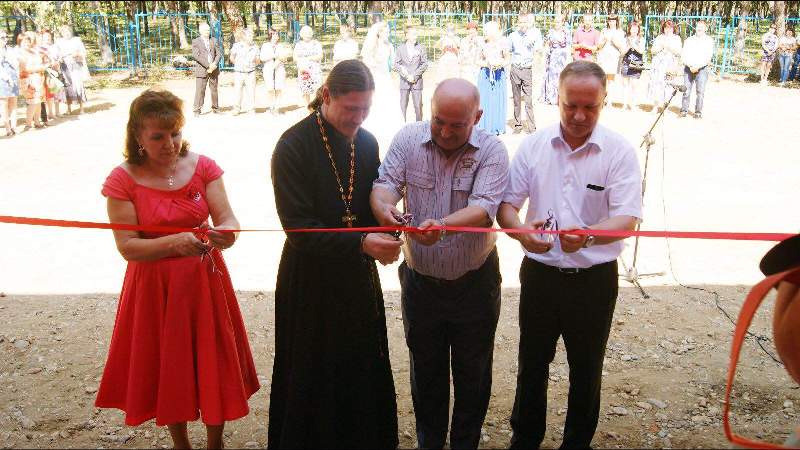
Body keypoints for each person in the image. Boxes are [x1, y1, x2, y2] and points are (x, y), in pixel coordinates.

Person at [95, 88, 260, 449]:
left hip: (205, 282)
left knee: (212, 361)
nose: (170, 144)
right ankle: (180, 443)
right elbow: (127, 247)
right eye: (158, 136)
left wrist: (227, 234)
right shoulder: (122, 180)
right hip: (155, 289)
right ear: (138, 136)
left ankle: (215, 442)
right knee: (170, 365)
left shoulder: (204, 167)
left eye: (175, 133)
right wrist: (173, 243)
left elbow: (228, 218)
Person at [498, 60, 642, 450]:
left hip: (594, 279)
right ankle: (525, 438)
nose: (578, 116)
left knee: (586, 367)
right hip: (540, 274)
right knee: (532, 363)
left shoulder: (618, 152)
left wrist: (590, 236)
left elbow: (627, 218)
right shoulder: (534, 145)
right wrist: (521, 232)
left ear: (604, 101)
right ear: (557, 99)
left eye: (589, 107)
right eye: (569, 105)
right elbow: (507, 206)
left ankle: (577, 442)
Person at [268, 60, 400, 449]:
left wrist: (388, 222)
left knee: (359, 363)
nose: (358, 118)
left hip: (357, 277)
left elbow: (371, 203)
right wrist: (361, 243)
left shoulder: (367, 142)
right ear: (326, 96)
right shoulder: (293, 146)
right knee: (312, 369)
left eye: (365, 110)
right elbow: (298, 227)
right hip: (309, 279)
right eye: (350, 109)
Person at [371, 78, 509, 450]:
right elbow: (385, 183)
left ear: (477, 117)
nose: (445, 132)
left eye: (456, 125)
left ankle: (465, 443)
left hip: (475, 283)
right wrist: (384, 208)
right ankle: (429, 442)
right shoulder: (407, 139)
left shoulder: (492, 150)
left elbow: (484, 208)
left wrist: (443, 226)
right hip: (421, 282)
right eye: (438, 121)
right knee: (425, 370)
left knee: (473, 372)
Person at [508, 14, 542, 134]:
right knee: (516, 100)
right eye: (520, 22)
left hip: (527, 69)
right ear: (518, 23)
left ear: (528, 23)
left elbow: (538, 51)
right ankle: (518, 125)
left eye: (525, 22)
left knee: (528, 100)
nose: (523, 25)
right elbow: (508, 51)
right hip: (515, 69)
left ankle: (531, 127)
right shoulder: (512, 36)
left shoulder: (534, 36)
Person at [477, 21, 510, 135]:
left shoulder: (503, 44)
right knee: (485, 100)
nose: (486, 32)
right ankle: (485, 126)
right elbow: (477, 60)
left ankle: (497, 126)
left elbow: (508, 59)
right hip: (485, 75)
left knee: (497, 100)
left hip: (499, 75)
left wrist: (500, 64)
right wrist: (487, 64)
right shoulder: (482, 44)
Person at [393, 24, 428, 123]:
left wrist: (415, 76)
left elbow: (424, 64)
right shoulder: (400, 48)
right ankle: (402, 126)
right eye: (413, 34)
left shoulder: (421, 47)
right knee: (403, 106)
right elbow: (396, 64)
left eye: (416, 34)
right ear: (406, 35)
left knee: (418, 106)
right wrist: (406, 75)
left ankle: (419, 126)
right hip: (404, 82)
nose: (416, 36)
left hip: (417, 82)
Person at [680, 20, 714, 119]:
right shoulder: (689, 40)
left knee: (700, 92)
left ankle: (698, 112)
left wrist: (697, 67)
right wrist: (690, 66)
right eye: (698, 26)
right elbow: (684, 55)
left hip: (702, 69)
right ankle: (684, 110)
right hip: (688, 68)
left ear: (705, 29)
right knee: (686, 91)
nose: (699, 29)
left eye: (701, 27)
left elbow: (708, 56)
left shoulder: (709, 41)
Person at [647, 20, 682, 113]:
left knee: (668, 85)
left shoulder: (677, 38)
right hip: (658, 65)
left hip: (670, 65)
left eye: (670, 28)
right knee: (656, 85)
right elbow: (653, 51)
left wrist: (669, 46)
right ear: (663, 28)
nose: (668, 30)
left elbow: (679, 52)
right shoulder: (659, 37)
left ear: (673, 29)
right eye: (666, 28)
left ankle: (665, 107)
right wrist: (661, 46)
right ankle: (655, 106)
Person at [55, 25, 88, 116]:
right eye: (64, 32)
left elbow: (84, 53)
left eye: (68, 31)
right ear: (61, 33)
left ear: (71, 31)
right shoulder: (59, 42)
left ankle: (82, 108)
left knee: (78, 85)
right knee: (67, 86)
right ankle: (68, 109)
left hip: (76, 65)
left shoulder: (76, 40)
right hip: (64, 66)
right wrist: (59, 58)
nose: (66, 33)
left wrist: (77, 54)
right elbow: (57, 54)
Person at [190, 22, 221, 117]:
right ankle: (197, 110)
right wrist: (208, 65)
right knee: (200, 90)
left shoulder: (214, 40)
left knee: (214, 90)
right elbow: (196, 56)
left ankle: (215, 108)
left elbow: (219, 54)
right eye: (205, 30)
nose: (207, 32)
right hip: (202, 69)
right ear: (200, 31)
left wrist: (214, 63)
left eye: (208, 30)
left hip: (214, 69)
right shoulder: (196, 41)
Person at [540, 13, 571, 106]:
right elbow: (546, 44)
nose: (556, 23)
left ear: (562, 22)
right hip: (553, 57)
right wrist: (545, 54)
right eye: (555, 21)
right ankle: (551, 98)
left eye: (558, 22)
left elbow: (569, 46)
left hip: (562, 58)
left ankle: (561, 97)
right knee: (552, 77)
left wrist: (567, 58)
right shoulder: (551, 32)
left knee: (561, 77)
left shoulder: (566, 33)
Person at [17, 32, 46, 130]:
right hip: (28, 80)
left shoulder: (33, 51)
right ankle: (28, 124)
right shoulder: (19, 53)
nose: (27, 43)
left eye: (28, 41)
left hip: (38, 78)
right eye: (24, 42)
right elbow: (23, 69)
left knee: (38, 101)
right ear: (20, 42)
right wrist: (38, 68)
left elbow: (40, 62)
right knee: (32, 102)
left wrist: (42, 67)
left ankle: (37, 121)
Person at [596, 15, 625, 104]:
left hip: (613, 58)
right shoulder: (604, 31)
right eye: (610, 21)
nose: (611, 23)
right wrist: (604, 40)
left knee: (611, 79)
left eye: (613, 21)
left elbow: (622, 48)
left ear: (616, 22)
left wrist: (614, 41)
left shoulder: (620, 32)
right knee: (603, 79)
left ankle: (610, 100)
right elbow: (599, 46)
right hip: (603, 58)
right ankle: (602, 99)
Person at [230, 27, 259, 115]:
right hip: (239, 72)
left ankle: (251, 109)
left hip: (251, 72)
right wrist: (238, 65)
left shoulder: (255, 47)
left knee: (251, 91)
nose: (251, 37)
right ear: (244, 36)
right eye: (249, 35)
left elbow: (258, 60)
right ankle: (236, 109)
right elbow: (232, 58)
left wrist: (255, 61)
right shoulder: (236, 46)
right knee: (237, 91)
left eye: (252, 35)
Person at [293, 25, 323, 107]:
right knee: (305, 90)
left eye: (309, 33)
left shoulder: (316, 43)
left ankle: (316, 106)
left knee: (316, 89)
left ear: (312, 33)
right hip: (303, 71)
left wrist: (308, 58)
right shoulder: (298, 45)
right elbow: (295, 57)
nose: (307, 35)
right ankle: (308, 106)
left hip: (315, 71)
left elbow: (320, 56)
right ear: (301, 34)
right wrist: (303, 62)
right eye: (305, 33)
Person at [260, 27, 287, 115]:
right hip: (268, 69)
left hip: (279, 69)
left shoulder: (281, 46)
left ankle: (277, 107)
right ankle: (271, 106)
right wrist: (273, 55)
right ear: (270, 35)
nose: (276, 36)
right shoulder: (265, 45)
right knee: (270, 89)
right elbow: (262, 58)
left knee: (279, 88)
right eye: (274, 34)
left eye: (277, 34)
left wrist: (278, 60)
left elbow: (284, 58)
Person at [39, 29, 64, 121]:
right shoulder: (40, 48)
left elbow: (61, 57)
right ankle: (50, 113)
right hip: (46, 72)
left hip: (56, 71)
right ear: (42, 38)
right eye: (45, 37)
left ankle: (57, 111)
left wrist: (58, 62)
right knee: (48, 94)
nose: (47, 38)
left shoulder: (55, 46)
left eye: (49, 36)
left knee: (57, 92)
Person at [620, 20, 645, 111]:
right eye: (632, 29)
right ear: (629, 29)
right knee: (625, 85)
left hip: (637, 62)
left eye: (636, 29)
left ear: (638, 29)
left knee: (634, 85)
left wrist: (633, 45)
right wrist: (628, 46)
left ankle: (633, 104)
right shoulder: (625, 38)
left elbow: (641, 51)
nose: (634, 31)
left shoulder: (641, 39)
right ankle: (624, 104)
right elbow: (622, 53)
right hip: (626, 62)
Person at [0, 30, 19, 137]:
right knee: (4, 104)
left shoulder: (10, 50)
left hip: (13, 77)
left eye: (6, 37)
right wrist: (7, 78)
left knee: (13, 102)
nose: (5, 39)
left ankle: (14, 126)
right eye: (2, 37)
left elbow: (15, 63)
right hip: (2, 79)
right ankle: (7, 128)